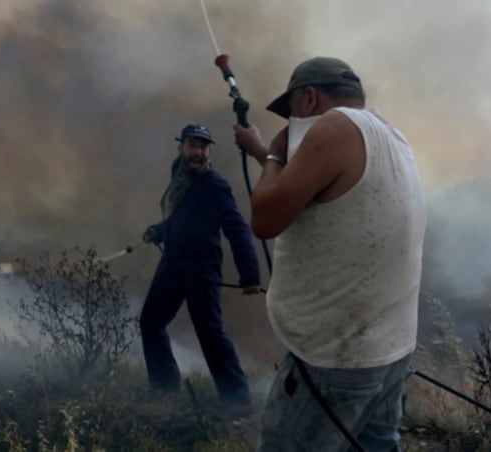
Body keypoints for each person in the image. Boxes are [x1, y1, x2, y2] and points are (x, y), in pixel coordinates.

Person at [233, 57, 427, 450]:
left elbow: (265, 220)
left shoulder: (333, 127)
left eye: (291, 114)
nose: (291, 126)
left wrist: (272, 154)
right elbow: (313, 185)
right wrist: (260, 151)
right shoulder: (390, 135)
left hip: (334, 361)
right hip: (389, 352)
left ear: (307, 98)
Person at [139, 123, 262, 409]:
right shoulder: (180, 176)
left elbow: (238, 230)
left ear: (209, 151)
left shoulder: (215, 185)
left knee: (210, 333)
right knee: (150, 323)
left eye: (202, 147)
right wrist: (158, 231)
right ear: (180, 147)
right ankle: (164, 390)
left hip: (201, 268)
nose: (197, 152)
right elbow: (183, 219)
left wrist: (250, 276)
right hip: (172, 262)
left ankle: (237, 403)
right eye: (192, 145)